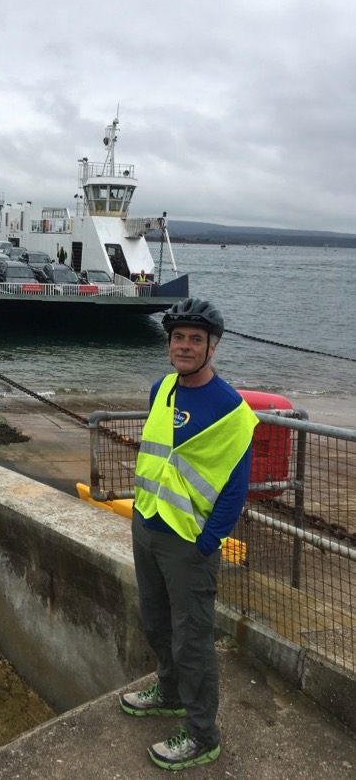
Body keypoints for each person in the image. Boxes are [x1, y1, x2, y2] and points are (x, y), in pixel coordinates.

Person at [120, 298, 258, 771]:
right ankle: (170, 692)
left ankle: (202, 735)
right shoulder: (162, 389)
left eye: (195, 339)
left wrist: (208, 542)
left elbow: (236, 487)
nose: (184, 345)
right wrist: (141, 517)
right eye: (178, 337)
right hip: (148, 523)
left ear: (211, 348)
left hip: (189, 542)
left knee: (192, 640)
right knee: (156, 622)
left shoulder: (231, 410)